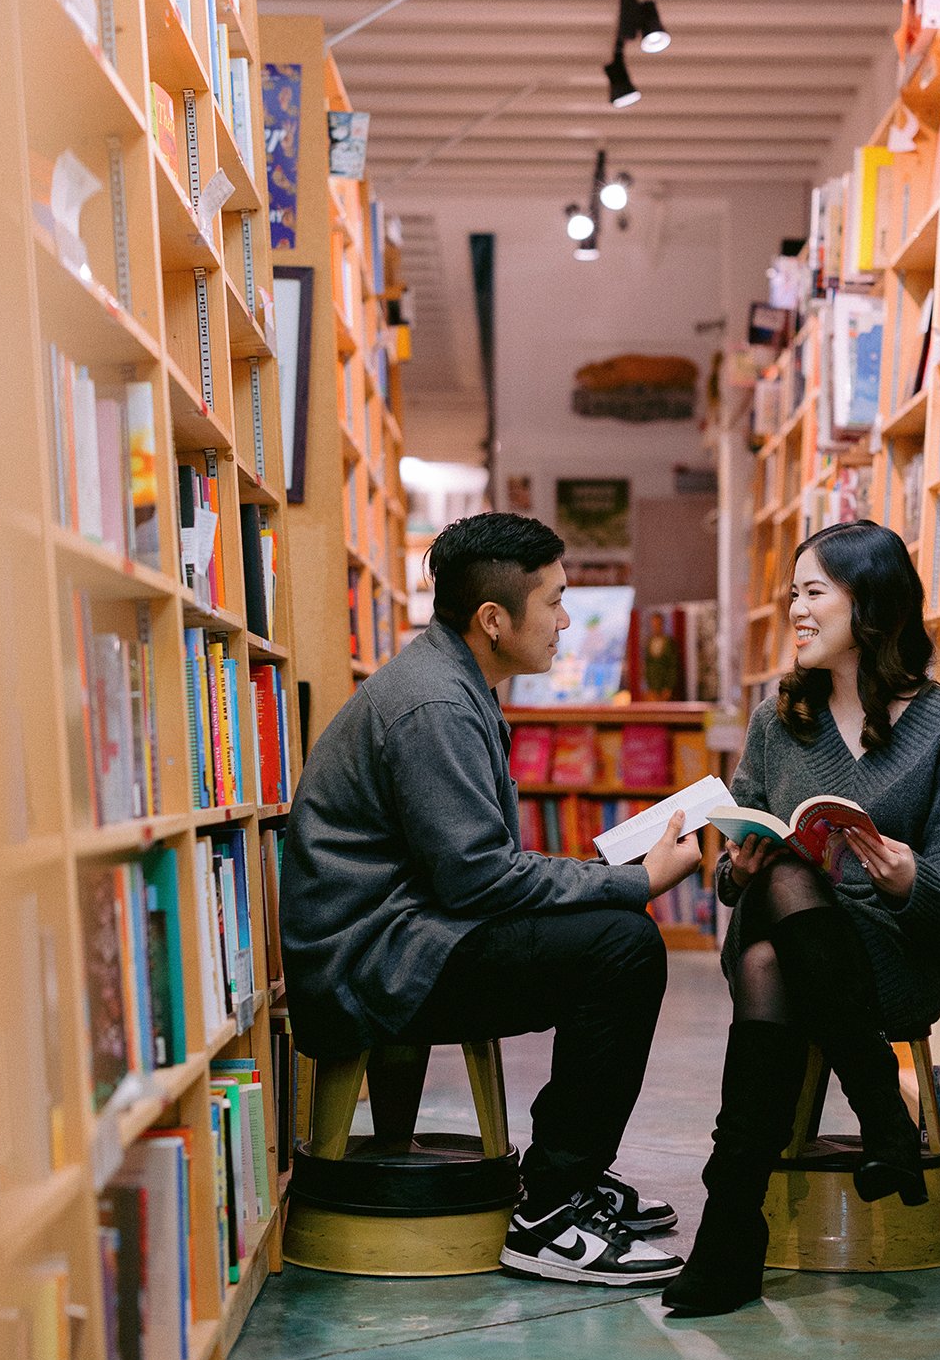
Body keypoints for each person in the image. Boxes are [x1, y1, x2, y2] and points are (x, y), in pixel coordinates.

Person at [280, 512, 703, 1287]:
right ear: (494, 619)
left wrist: (603, 880)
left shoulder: (449, 681)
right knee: (624, 945)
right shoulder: (435, 705)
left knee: (609, 928)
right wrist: (636, 880)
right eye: (556, 602)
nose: (567, 621)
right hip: (374, 968)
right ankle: (551, 1209)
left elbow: (477, 868)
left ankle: (565, 1181)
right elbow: (480, 879)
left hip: (404, 938)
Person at [663, 519, 940, 1318]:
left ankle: (730, 1227)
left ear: (869, 604)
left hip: (889, 955)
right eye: (792, 597)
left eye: (814, 593)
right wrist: (735, 866)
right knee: (778, 873)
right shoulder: (779, 719)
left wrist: (910, 874)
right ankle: (880, 1106)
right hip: (777, 931)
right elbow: (735, 860)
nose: (797, 612)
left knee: (777, 951)